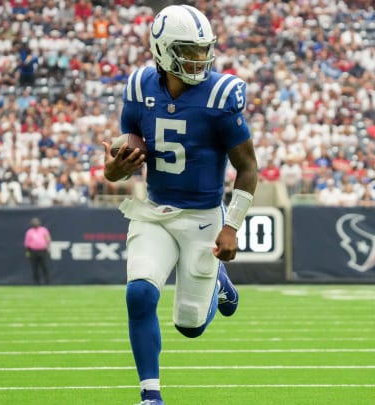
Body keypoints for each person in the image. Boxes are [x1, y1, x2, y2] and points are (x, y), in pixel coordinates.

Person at [102, 5, 258, 405]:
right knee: (138, 295)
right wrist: (114, 170)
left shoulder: (222, 94)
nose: (199, 59)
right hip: (156, 211)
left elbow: (247, 167)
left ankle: (219, 283)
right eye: (189, 50)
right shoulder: (139, 88)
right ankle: (150, 395)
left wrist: (231, 226)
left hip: (204, 218)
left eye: (203, 50)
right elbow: (122, 163)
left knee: (190, 327)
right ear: (163, 51)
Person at [24, 217, 52, 285]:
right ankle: (36, 282)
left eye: (36, 222)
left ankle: (47, 282)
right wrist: (27, 252)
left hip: (43, 250)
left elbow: (48, 239)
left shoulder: (43, 230)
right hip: (33, 251)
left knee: (45, 267)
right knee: (35, 267)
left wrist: (49, 248)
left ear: (39, 223)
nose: (35, 223)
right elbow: (27, 243)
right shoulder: (29, 232)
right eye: (34, 222)